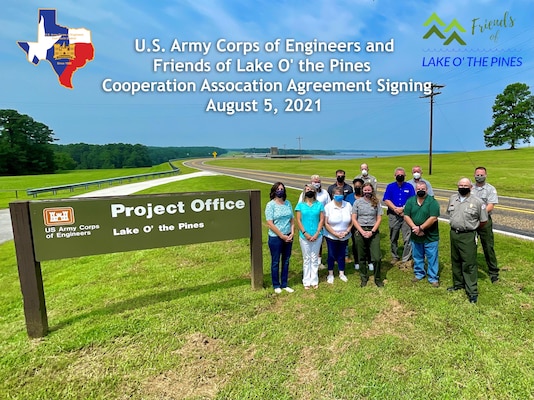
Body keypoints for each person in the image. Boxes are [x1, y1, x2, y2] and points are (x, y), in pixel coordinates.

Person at [447, 177, 488, 303]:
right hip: (454, 233)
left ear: (471, 187)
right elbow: (450, 214)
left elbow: (483, 221)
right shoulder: (453, 198)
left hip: (468, 235)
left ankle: (472, 291)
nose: (463, 187)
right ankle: (458, 284)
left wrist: (471, 229)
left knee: (469, 263)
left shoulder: (477, 202)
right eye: (461, 185)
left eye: (466, 186)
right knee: (456, 260)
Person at [403, 181, 440, 287]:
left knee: (432, 257)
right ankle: (419, 274)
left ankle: (433, 278)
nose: (420, 190)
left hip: (430, 236)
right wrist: (415, 228)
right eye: (418, 188)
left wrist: (421, 228)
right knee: (417, 256)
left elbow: (433, 218)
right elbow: (406, 215)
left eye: (423, 188)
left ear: (426, 189)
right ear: (415, 190)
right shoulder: (410, 201)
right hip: (415, 235)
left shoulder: (432, 202)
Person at [382, 167, 416, 268]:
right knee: (393, 237)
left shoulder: (409, 186)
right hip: (393, 215)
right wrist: (395, 209)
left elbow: (412, 200)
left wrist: (403, 209)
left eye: (402, 175)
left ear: (405, 176)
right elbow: (386, 199)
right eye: (398, 175)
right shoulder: (390, 186)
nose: (400, 176)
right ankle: (395, 256)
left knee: (407, 237)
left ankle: (406, 258)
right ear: (395, 176)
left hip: (406, 216)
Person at [351, 182, 384, 287]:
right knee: (361, 256)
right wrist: (361, 231)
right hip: (360, 230)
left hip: (372, 230)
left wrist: (372, 232)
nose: (367, 192)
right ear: (362, 191)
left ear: (372, 190)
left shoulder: (376, 202)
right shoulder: (357, 202)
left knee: (377, 257)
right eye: (365, 190)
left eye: (369, 190)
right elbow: (354, 219)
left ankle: (377, 278)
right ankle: (363, 277)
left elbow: (379, 218)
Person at [265, 182, 295, 294]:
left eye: (282, 189)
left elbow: (292, 219)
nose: (280, 190)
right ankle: (276, 284)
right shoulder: (270, 205)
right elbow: (270, 223)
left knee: (286, 261)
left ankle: (284, 284)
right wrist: (281, 236)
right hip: (276, 238)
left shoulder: (288, 203)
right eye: (278, 189)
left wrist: (292, 232)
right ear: (274, 191)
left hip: (288, 235)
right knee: (276, 261)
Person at [295, 184, 325, 289]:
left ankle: (314, 280)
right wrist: (305, 233)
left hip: (317, 235)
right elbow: (298, 220)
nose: (309, 191)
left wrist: (317, 233)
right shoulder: (300, 205)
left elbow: (322, 219)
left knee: (314, 257)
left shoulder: (319, 205)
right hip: (304, 236)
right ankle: (306, 280)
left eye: (311, 189)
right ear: (304, 192)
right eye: (307, 189)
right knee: (307, 258)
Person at [473, 166, 500, 283]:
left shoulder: (490, 189)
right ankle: (470, 270)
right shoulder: (470, 188)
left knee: (488, 247)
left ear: (486, 175)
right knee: (470, 246)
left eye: (482, 174)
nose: (479, 176)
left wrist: (480, 214)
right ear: (474, 175)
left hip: (485, 221)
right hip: (471, 220)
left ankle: (494, 272)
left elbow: (490, 205)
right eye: (477, 174)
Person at [298, 174, 329, 269]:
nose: (317, 183)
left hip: (321, 220)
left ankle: (319, 260)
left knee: (319, 241)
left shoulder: (325, 193)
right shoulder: (304, 194)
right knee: (308, 248)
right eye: (315, 181)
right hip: (308, 221)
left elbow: (328, 205)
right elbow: (300, 208)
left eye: (318, 181)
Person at [324, 187, 353, 283]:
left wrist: (347, 231)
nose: (339, 196)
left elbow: (352, 221)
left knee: (341, 255)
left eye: (341, 194)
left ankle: (341, 273)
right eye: (337, 194)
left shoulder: (348, 205)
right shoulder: (328, 206)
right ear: (333, 195)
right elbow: (326, 223)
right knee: (331, 255)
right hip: (331, 235)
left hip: (345, 235)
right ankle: (330, 274)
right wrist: (334, 233)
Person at [346, 178, 365, 270]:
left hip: (365, 223)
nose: (357, 188)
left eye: (359, 186)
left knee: (366, 243)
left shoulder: (366, 196)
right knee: (356, 243)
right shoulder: (349, 197)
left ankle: (367, 259)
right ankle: (357, 260)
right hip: (353, 224)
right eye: (356, 186)